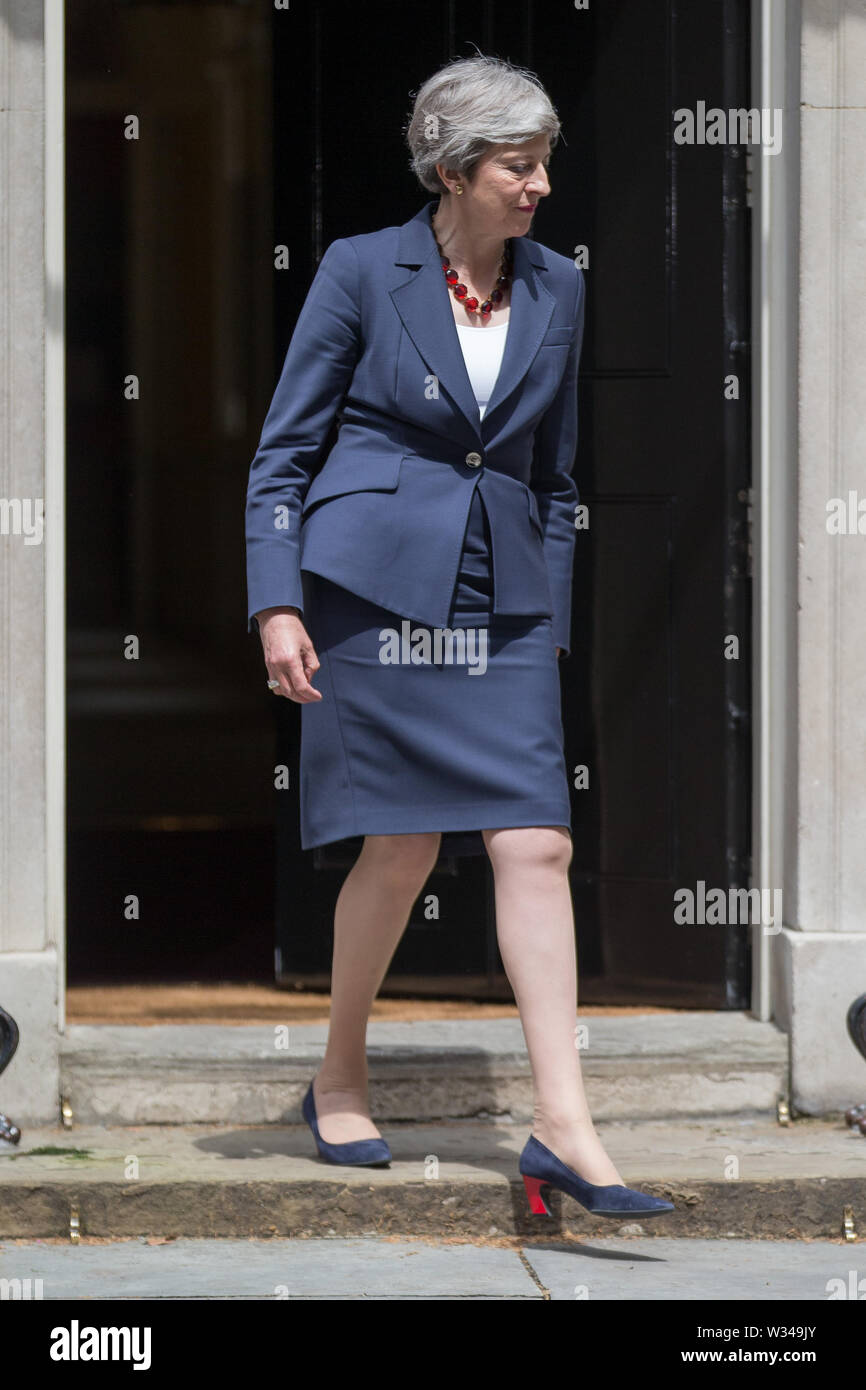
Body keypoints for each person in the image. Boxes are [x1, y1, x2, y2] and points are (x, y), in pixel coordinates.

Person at [245, 54, 673, 1219]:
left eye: (542, 165)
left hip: (504, 601)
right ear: (451, 170)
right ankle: (338, 1071)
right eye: (515, 166)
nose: (537, 186)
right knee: (400, 847)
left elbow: (552, 472)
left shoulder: (558, 290)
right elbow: (283, 455)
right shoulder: (354, 272)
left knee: (536, 845)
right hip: (369, 589)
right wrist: (275, 600)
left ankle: (561, 1122)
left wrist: (549, 620)